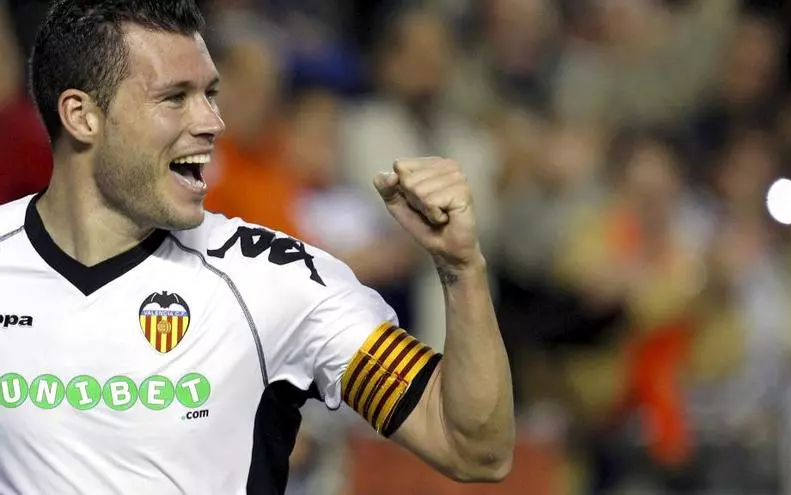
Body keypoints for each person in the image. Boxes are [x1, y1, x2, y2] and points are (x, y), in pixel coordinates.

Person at [0, 1, 514, 493]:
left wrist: (461, 267)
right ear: (81, 116)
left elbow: (472, 449)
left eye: (210, 94)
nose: (212, 122)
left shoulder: (275, 280)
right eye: (175, 97)